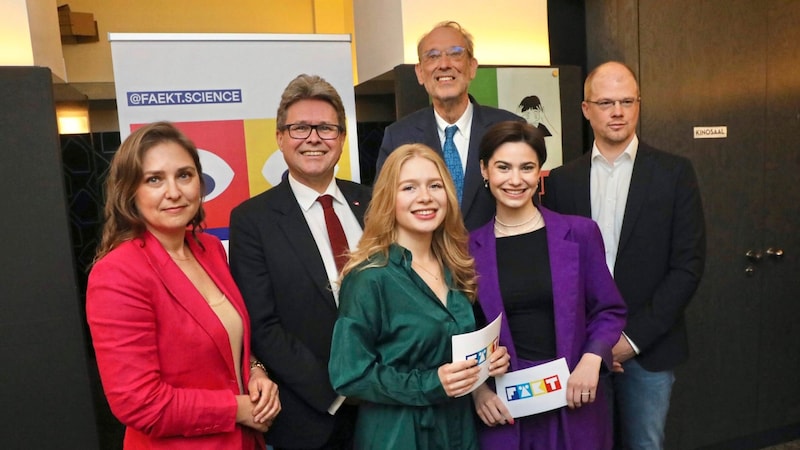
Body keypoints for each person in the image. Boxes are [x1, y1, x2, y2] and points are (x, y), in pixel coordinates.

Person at [86, 121, 280, 450]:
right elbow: (140, 403)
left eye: (184, 175)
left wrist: (255, 371)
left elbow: (225, 341)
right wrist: (238, 409)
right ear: (130, 191)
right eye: (154, 180)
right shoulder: (117, 274)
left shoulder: (210, 249)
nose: (174, 192)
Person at [542, 61, 706, 449]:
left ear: (638, 105)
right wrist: (593, 343)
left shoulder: (675, 173)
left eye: (626, 101)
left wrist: (629, 341)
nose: (617, 111)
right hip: (580, 350)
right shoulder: (563, 181)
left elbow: (688, 267)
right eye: (605, 102)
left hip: (648, 349)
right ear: (586, 109)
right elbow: (558, 269)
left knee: (644, 445)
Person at [329, 143, 510, 449]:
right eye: (409, 187)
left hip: (458, 429)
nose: (425, 197)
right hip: (398, 435)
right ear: (389, 199)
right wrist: (431, 384)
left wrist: (484, 363)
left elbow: (447, 348)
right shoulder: (369, 278)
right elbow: (350, 375)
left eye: (435, 185)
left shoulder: (455, 266)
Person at [229, 74, 371, 449]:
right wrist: (338, 393)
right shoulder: (252, 220)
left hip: (388, 405)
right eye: (299, 128)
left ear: (341, 138)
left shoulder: (375, 204)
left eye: (325, 127)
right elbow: (262, 324)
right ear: (279, 138)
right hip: (310, 415)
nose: (313, 137)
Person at [469, 121, 627, 449]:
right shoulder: (467, 250)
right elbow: (462, 330)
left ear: (540, 171)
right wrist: (478, 390)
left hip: (574, 394)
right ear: (484, 170)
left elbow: (608, 309)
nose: (515, 179)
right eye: (503, 167)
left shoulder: (580, 233)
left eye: (527, 167)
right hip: (505, 407)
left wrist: (593, 358)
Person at [377, 20, 524, 231]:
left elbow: (526, 206)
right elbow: (384, 213)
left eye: (455, 53)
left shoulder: (509, 128)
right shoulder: (398, 137)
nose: (444, 64)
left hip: (498, 258)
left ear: (472, 67)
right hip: (425, 261)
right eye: (433, 56)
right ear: (419, 72)